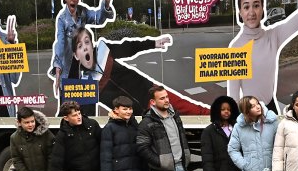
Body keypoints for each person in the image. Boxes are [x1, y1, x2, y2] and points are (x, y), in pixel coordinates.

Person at [68, 27, 208, 115]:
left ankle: (225, 122)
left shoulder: (104, 51)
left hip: (151, 93)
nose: (85, 47)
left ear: (92, 44)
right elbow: (88, 116)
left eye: (87, 42)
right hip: (138, 118)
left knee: (194, 110)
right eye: (80, 46)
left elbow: (129, 47)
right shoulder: (86, 83)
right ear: (75, 55)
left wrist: (153, 43)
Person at [50, 0, 116, 99]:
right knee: (68, 105)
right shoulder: (62, 19)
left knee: (81, 104)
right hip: (68, 68)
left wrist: (106, 4)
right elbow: (60, 43)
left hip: (83, 66)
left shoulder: (83, 12)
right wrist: (58, 69)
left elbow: (98, 19)